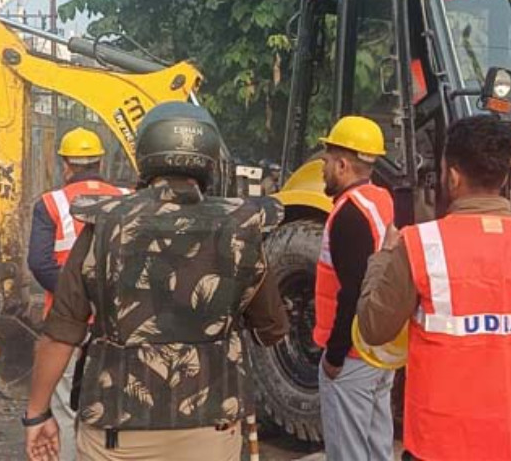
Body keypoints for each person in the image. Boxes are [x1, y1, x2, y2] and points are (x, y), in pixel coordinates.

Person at [23, 102, 289, 461]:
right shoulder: (241, 226)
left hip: (117, 432)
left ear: (145, 154)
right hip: (210, 428)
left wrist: (37, 414)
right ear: (209, 159)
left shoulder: (105, 224)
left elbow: (61, 333)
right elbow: (272, 328)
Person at [357, 115, 511, 461]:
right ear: (505, 177)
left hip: (439, 446)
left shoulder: (420, 245)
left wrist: (381, 259)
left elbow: (374, 327)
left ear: (452, 176)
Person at [314, 116, 395, 461]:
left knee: (347, 453)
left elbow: (352, 292)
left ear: (343, 164)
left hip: (352, 355)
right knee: (378, 447)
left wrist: (334, 355)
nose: (323, 170)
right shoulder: (380, 199)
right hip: (380, 349)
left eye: (327, 162)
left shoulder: (348, 216)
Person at [27, 127, 130, 312]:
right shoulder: (128, 199)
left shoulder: (51, 203)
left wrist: (77, 297)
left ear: (66, 165)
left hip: (66, 318)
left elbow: (39, 264)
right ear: (100, 162)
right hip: (118, 316)